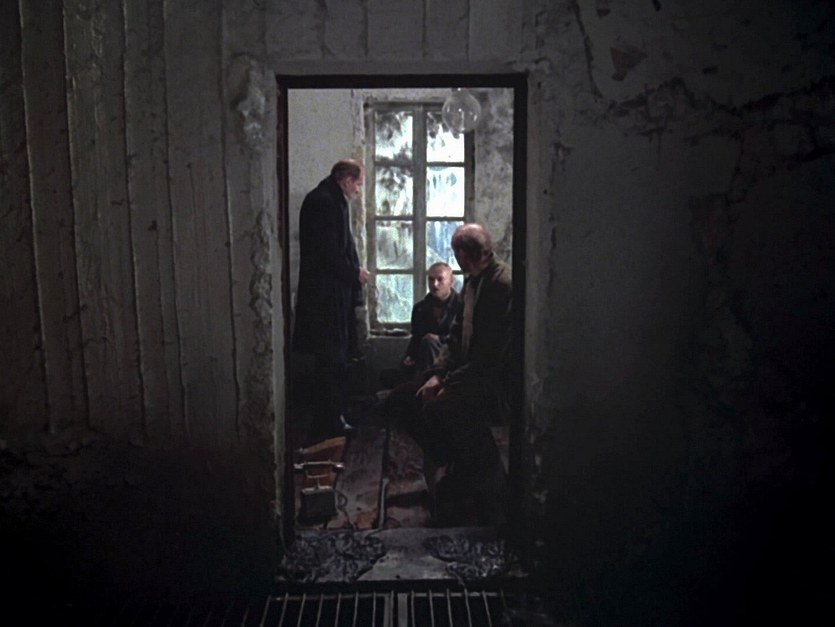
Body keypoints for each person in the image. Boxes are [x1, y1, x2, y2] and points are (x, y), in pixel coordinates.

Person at [394, 223, 512, 525]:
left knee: (435, 410)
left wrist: (447, 384)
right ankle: (458, 462)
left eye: (459, 255)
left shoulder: (501, 285)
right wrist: (436, 374)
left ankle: (471, 473)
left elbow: (489, 356)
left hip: (490, 382)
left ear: (465, 255)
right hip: (466, 374)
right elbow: (456, 337)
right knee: (403, 398)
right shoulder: (473, 282)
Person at [292, 159, 370, 440]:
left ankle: (331, 419)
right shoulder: (325, 202)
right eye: (358, 184)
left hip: (330, 295)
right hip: (326, 298)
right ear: (346, 180)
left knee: (333, 360)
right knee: (330, 361)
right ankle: (328, 423)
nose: (358, 191)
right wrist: (354, 273)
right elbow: (329, 253)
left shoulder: (328, 199)